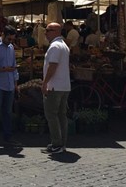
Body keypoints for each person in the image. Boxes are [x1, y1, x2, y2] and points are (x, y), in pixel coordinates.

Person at [41, 22, 71, 155]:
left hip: (54, 86)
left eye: (48, 30)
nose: (45, 33)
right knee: (61, 115)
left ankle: (56, 143)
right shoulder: (64, 46)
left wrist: (45, 83)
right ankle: (61, 143)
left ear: (56, 32)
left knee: (51, 115)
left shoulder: (55, 46)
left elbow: (53, 66)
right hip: (64, 86)